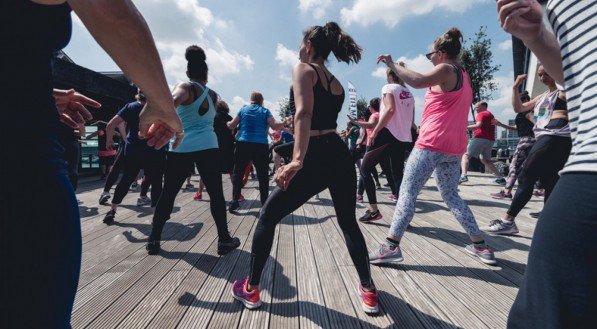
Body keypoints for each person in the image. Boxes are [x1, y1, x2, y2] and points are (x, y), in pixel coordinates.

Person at [1, 1, 182, 327]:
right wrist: (161, 103)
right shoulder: (132, 105)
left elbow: (112, 126)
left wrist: (42, 92)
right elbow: (110, 10)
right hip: (19, 161)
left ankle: (113, 207)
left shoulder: (126, 108)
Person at [232, 22, 380, 314]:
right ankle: (369, 290)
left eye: (301, 45)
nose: (299, 50)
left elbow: (305, 113)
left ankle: (250, 288)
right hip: (338, 154)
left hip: (312, 156)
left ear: (309, 46)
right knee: (348, 222)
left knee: (267, 216)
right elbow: (317, 117)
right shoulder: (336, 82)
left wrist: (297, 160)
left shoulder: (303, 69)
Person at [497, 1, 597, 327]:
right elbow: (523, 105)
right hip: (584, 165)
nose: (541, 71)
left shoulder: (557, 97)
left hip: (560, 141)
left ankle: (510, 215)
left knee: (527, 174)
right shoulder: (545, 97)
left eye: (543, 70)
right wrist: (536, 37)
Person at [368, 27, 497, 266]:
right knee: (451, 195)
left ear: (440, 53)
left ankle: (390, 246)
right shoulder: (465, 76)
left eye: (430, 56)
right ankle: (480, 245)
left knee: (407, 193)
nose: (430, 60)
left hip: (431, 143)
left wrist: (392, 64)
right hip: (454, 146)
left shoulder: (446, 69)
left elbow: (417, 81)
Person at [146, 46, 240, 256]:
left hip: (181, 146)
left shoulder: (185, 86)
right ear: (206, 75)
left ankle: (154, 238)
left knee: (168, 193)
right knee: (216, 194)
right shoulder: (214, 95)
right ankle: (224, 239)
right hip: (208, 145)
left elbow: (172, 102)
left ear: (188, 73)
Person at [483, 64, 571, 235]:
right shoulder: (543, 96)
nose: (542, 77)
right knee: (550, 181)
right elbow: (519, 108)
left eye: (547, 73)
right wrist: (515, 88)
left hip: (554, 136)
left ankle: (508, 220)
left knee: (525, 176)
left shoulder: (563, 91)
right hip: (550, 139)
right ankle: (550, 225)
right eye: (539, 75)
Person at [353, 62, 415, 222]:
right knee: (398, 176)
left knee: (365, 169)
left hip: (387, 135)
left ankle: (373, 211)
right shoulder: (409, 93)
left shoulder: (388, 88)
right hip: (403, 138)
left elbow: (389, 110)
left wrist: (376, 131)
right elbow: (411, 119)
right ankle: (404, 217)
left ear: (389, 76)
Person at [102, 89, 169, 223]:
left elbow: (110, 125)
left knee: (127, 179)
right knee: (156, 181)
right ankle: (157, 214)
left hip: (133, 150)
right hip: (154, 149)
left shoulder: (130, 107)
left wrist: (109, 141)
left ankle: (112, 210)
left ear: (139, 92)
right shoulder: (158, 108)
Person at [227, 92, 288, 212]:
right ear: (261, 101)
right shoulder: (265, 111)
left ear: (251, 100)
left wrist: (227, 123)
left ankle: (234, 201)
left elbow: (231, 125)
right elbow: (275, 126)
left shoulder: (243, 110)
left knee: (238, 172)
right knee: (262, 175)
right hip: (260, 145)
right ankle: (264, 203)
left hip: (243, 144)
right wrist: (285, 122)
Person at [491, 87, 535, 199]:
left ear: (523, 101)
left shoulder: (527, 111)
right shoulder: (523, 112)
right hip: (531, 141)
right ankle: (540, 188)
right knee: (530, 166)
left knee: (514, 166)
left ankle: (507, 191)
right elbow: (516, 128)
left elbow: (537, 123)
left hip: (526, 141)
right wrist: (501, 125)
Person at [194, 100, 236, 201]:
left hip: (213, 146)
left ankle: (199, 193)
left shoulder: (212, 117)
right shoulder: (230, 118)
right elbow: (234, 133)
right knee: (231, 172)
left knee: (206, 172)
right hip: (228, 148)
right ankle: (237, 194)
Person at [460, 102, 506, 185]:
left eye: (477, 107)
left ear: (484, 106)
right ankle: (500, 178)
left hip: (480, 138)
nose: (475, 109)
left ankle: (463, 175)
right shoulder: (490, 115)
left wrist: (463, 128)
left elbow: (478, 125)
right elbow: (483, 127)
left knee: (466, 155)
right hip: (490, 140)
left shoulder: (482, 114)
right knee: (486, 160)